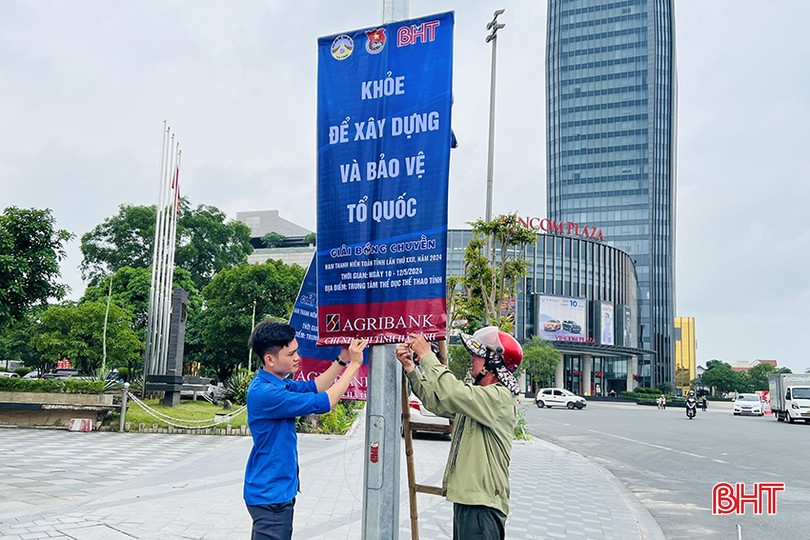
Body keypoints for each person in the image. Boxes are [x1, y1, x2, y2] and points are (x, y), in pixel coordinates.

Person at [395, 326, 523, 540]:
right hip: (471, 502)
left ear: (493, 364)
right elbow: (437, 401)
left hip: (482, 506)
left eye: (478, 355)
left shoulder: (499, 398)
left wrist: (427, 356)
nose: (472, 359)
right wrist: (411, 368)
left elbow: (452, 392)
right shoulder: (477, 399)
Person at [243, 321, 367, 540]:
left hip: (275, 490)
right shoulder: (267, 393)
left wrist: (342, 359)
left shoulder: (277, 383)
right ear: (270, 359)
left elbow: (315, 387)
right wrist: (355, 365)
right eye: (291, 354)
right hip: (271, 495)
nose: (297, 358)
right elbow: (325, 401)